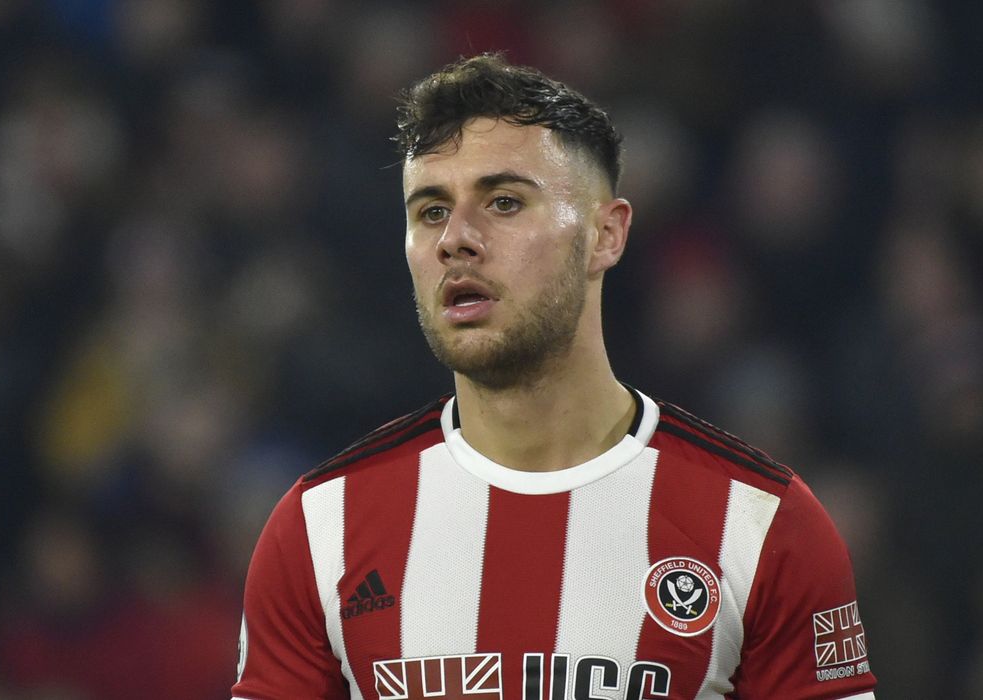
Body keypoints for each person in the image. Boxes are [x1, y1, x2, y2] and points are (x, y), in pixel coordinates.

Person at [233, 53, 877, 700]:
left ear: (606, 235)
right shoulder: (319, 530)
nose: (456, 238)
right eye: (430, 211)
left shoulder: (765, 526)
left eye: (504, 202)